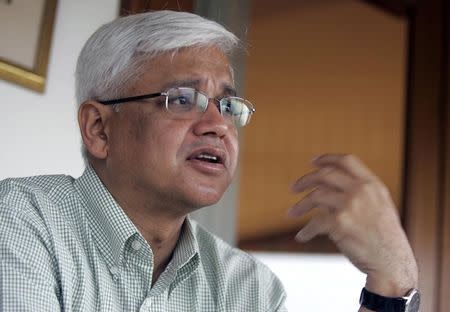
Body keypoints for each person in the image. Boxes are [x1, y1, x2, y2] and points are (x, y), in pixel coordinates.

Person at [0, 10, 419, 312]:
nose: (218, 124)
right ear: (98, 128)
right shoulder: (21, 220)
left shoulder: (251, 288)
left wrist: (390, 285)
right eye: (182, 99)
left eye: (228, 103)